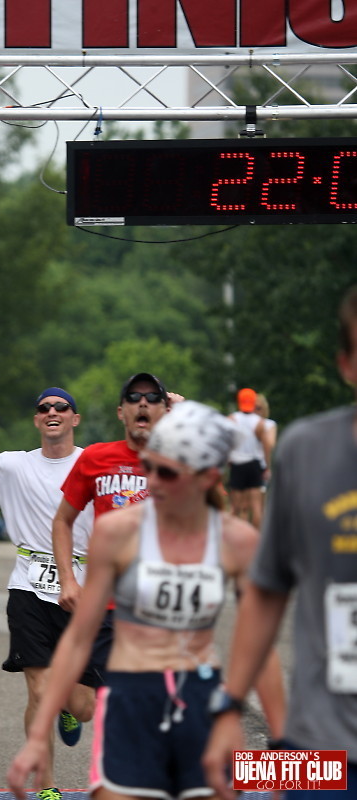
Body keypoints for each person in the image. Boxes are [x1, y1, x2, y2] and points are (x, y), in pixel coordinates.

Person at [7, 400, 285, 800]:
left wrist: (280, 742)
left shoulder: (236, 541)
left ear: (207, 478)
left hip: (200, 703)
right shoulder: (118, 532)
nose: (151, 482)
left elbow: (260, 646)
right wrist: (37, 736)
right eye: (149, 467)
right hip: (129, 701)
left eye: (166, 472)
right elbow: (79, 638)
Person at [203, 285, 357, 800]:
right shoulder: (307, 449)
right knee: (250, 509)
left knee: (247, 505)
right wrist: (229, 708)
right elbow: (267, 591)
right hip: (325, 751)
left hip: (246, 470)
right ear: (346, 364)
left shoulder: (242, 421)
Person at [0, 366, 112, 800]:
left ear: (74, 418)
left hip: (84, 591)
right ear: (36, 419)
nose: (52, 412)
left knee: (83, 708)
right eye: (44, 407)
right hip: (29, 587)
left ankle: (68, 707)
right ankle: (46, 787)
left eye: (61, 407)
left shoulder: (94, 463)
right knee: (39, 690)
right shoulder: (14, 465)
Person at [53, 372, 183, 613]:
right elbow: (62, 520)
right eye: (133, 397)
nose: (142, 403)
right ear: (121, 413)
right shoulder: (95, 457)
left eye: (153, 398)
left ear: (166, 412)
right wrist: (67, 580)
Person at [227, 387, 270, 529]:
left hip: (237, 464)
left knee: (235, 507)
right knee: (257, 508)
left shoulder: (232, 419)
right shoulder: (260, 423)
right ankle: (256, 538)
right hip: (254, 464)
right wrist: (267, 466)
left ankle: (231, 536)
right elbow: (266, 446)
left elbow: (226, 442)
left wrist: (227, 458)